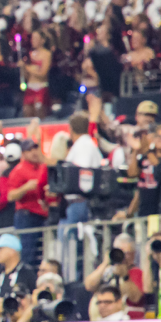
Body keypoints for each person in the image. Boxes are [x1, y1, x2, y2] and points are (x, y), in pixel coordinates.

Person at [59, 111, 102, 281]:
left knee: (73, 243)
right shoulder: (85, 144)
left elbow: (82, 172)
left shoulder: (84, 145)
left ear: (71, 129)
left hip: (80, 202)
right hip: (75, 203)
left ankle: (74, 279)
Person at [7, 139, 48, 266]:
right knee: (28, 254)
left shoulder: (43, 167)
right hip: (27, 215)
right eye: (30, 150)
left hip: (43, 215)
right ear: (23, 153)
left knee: (43, 254)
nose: (34, 152)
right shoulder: (18, 171)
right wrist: (25, 188)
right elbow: (10, 196)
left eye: (35, 148)